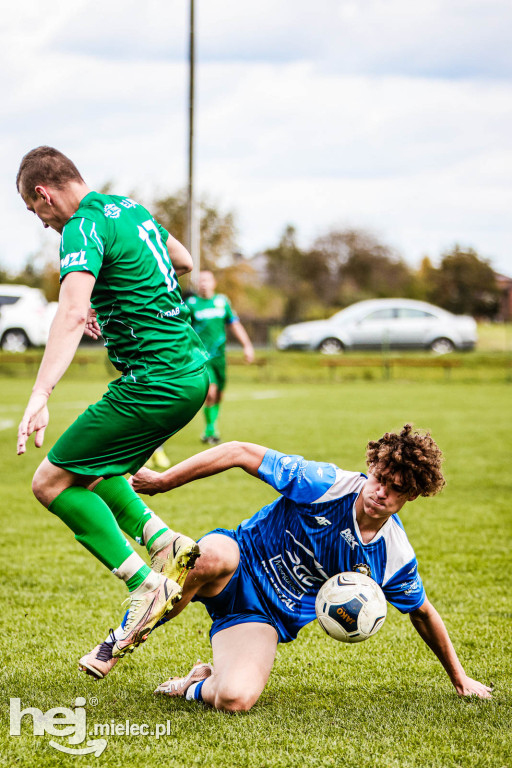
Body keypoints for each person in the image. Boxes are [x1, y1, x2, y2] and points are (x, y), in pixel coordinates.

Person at [79, 425, 492, 709]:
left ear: (412, 496)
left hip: (262, 615)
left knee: (235, 699)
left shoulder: (393, 556)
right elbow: (239, 451)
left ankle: (196, 683)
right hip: (236, 562)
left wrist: (460, 680)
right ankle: (121, 639)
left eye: (396, 489)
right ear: (372, 468)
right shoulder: (326, 483)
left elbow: (422, 612)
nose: (380, 492)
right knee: (208, 557)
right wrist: (164, 481)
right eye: (379, 478)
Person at [15, 146, 211, 658]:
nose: (42, 223)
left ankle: (146, 585)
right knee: (96, 466)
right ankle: (165, 541)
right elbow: (184, 261)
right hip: (189, 373)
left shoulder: (81, 226)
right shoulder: (128, 208)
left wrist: (40, 394)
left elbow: (70, 312)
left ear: (44, 192)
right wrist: (121, 299)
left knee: (51, 481)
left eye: (36, 212)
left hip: (154, 381)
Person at [185, 269, 254, 445]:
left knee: (219, 394)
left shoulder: (222, 302)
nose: (203, 283)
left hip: (220, 358)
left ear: (214, 283)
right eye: (200, 281)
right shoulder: (191, 304)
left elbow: (234, 324)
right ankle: (210, 430)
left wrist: (247, 345)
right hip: (202, 357)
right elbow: (183, 329)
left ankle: (212, 426)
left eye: (206, 280)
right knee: (211, 392)